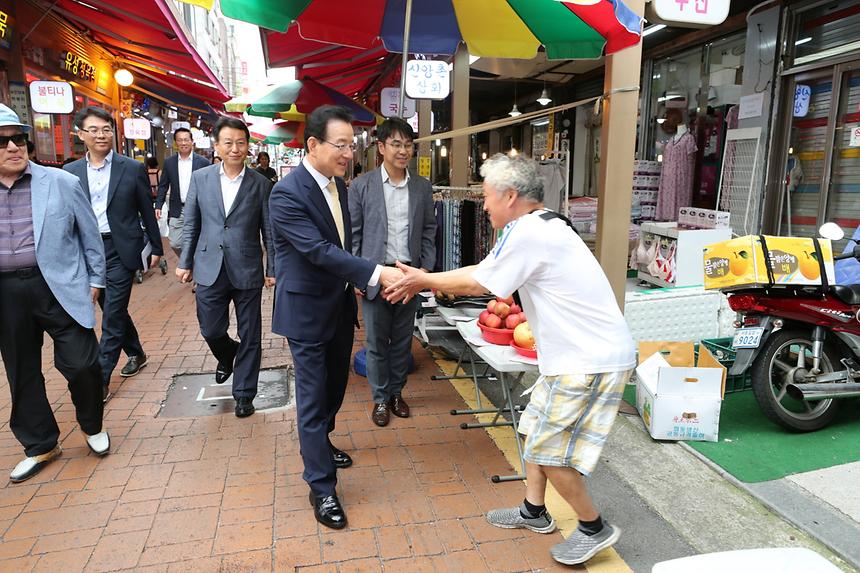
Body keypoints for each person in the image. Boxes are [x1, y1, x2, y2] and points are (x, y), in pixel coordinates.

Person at [385, 154, 636, 566]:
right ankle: (534, 512)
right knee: (534, 428)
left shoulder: (530, 232)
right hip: (572, 356)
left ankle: (593, 526)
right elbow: (486, 270)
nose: (482, 206)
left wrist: (421, 279)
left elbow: (481, 281)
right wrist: (426, 278)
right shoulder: (541, 223)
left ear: (510, 195)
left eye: (486, 197)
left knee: (550, 450)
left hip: (588, 359)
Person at [269, 105, 403, 530]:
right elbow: (318, 251)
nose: (349, 153)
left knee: (336, 387)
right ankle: (322, 487)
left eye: (352, 144)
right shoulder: (287, 193)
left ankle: (321, 444)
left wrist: (358, 279)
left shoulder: (338, 186)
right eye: (340, 145)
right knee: (311, 398)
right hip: (305, 311)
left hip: (340, 304)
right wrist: (376, 272)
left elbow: (344, 244)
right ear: (313, 144)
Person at [0, 104, 110, 483]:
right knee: (21, 371)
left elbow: (89, 234)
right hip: (6, 292)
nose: (14, 147)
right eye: (3, 142)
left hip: (58, 285)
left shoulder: (61, 182)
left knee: (82, 363)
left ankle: (92, 425)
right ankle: (40, 443)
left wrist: (96, 279)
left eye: (19, 139)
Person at [176, 117, 275, 418]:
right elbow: (191, 222)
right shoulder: (201, 178)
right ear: (216, 146)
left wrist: (273, 268)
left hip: (246, 267)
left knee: (251, 333)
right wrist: (184, 262)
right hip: (208, 266)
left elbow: (269, 230)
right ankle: (228, 353)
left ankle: (245, 393)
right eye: (228, 142)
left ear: (248, 147)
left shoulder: (261, 183)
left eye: (241, 143)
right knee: (211, 328)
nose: (235, 148)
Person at [64, 107, 163, 401]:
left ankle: (100, 378)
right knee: (112, 309)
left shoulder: (131, 168)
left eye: (106, 129)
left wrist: (156, 247)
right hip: (87, 251)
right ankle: (137, 352)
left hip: (121, 248)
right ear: (80, 134)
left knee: (113, 314)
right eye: (93, 130)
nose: (101, 135)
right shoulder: (69, 173)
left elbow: (146, 208)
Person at [349, 118, 436, 426]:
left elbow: (429, 229)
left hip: (409, 275)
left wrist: (424, 268)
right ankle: (380, 399)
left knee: (402, 341)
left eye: (408, 144)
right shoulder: (361, 186)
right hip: (375, 275)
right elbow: (354, 234)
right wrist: (359, 274)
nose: (403, 151)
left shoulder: (422, 187)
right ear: (381, 147)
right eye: (396, 144)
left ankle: (397, 393)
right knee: (375, 342)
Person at [155, 128, 210, 258]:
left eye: (186, 140)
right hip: (177, 207)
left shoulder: (203, 162)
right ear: (176, 143)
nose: (183, 143)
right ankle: (187, 261)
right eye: (180, 140)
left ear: (192, 142)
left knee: (197, 239)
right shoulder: (169, 162)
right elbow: (163, 186)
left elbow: (210, 187)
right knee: (175, 242)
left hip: (198, 208)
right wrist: (158, 205)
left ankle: (191, 265)